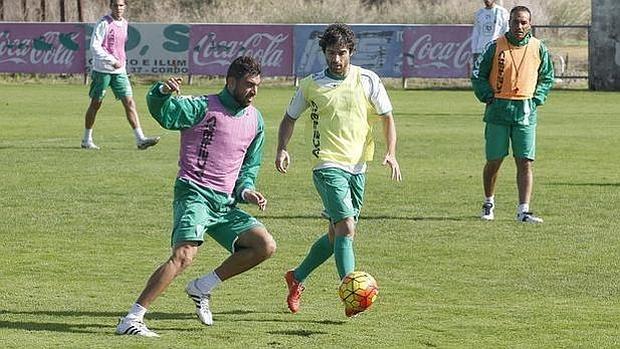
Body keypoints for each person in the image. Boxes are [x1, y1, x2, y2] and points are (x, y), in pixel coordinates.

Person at [115, 56, 276, 337]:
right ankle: (132, 318)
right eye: (249, 85)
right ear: (231, 82)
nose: (254, 91)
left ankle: (203, 287)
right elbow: (163, 111)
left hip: (224, 204)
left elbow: (249, 165)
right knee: (184, 255)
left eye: (258, 86)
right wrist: (161, 93)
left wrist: (246, 190)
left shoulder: (255, 120)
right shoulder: (201, 106)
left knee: (264, 245)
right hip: (194, 194)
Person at [275, 23, 402, 318]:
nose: (336, 59)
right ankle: (352, 294)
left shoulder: (368, 80)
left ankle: (297, 277)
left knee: (336, 236)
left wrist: (391, 153)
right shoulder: (310, 84)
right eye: (331, 53)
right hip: (327, 165)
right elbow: (289, 118)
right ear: (324, 53)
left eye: (342, 53)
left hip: (358, 166)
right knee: (347, 226)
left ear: (351, 52)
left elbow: (387, 117)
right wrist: (282, 147)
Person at [471, 6, 554, 223]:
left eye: (524, 22)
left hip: (525, 111)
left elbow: (547, 77)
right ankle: (489, 202)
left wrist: (537, 98)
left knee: (525, 161)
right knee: (494, 160)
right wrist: (487, 96)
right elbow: (477, 74)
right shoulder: (495, 46)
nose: (520, 26)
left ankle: (523, 210)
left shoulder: (539, 48)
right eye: (516, 21)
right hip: (498, 109)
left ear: (530, 24)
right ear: (509, 22)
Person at [81, 0, 159, 150]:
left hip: (119, 71)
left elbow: (119, 47)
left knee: (129, 102)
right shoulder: (104, 23)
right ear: (110, 6)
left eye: (121, 5)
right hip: (102, 70)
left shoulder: (124, 23)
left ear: (125, 7)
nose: (118, 8)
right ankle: (86, 139)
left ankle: (140, 139)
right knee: (96, 104)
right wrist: (111, 60)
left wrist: (121, 63)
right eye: (115, 5)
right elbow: (95, 46)